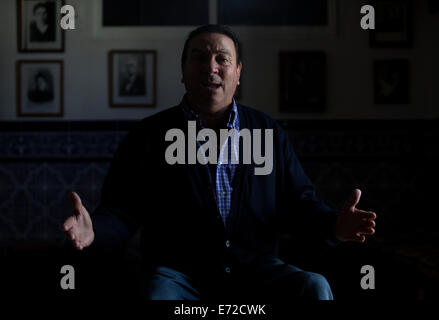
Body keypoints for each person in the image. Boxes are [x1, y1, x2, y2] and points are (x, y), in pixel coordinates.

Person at [63, 24, 376, 300]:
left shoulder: (267, 131)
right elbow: (122, 210)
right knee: (156, 294)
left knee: (315, 287)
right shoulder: (148, 136)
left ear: (238, 72)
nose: (210, 68)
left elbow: (299, 203)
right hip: (177, 276)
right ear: (183, 70)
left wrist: (334, 226)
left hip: (256, 270)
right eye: (199, 58)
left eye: (221, 59)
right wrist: (95, 232)